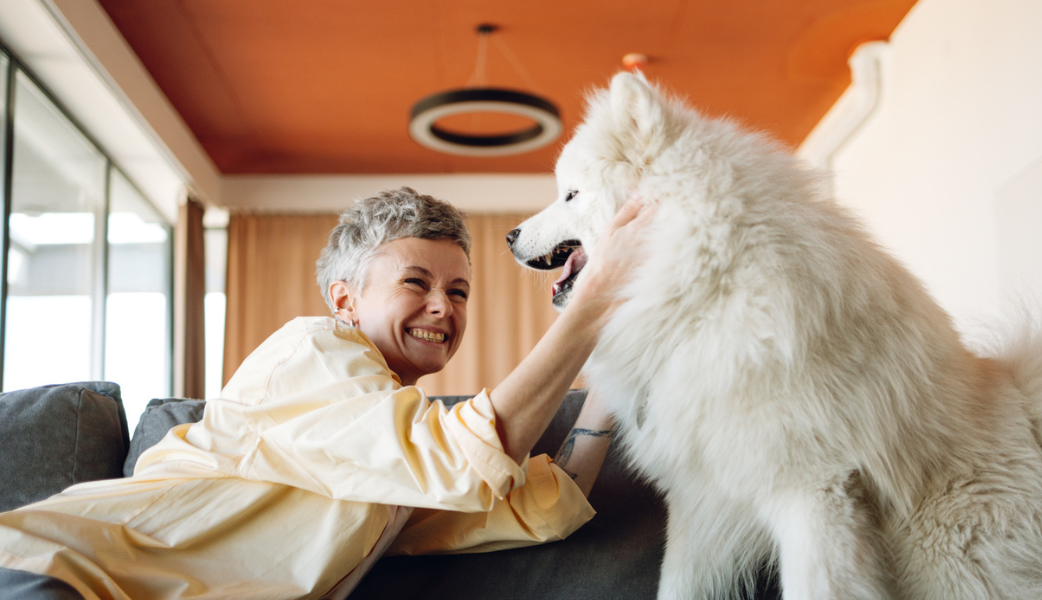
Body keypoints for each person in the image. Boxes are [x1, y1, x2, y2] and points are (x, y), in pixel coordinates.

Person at [0, 187, 653, 599]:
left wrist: (614, 370)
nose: (443, 306)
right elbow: (463, 458)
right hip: (57, 570)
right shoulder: (313, 351)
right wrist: (591, 300)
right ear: (345, 300)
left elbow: (533, 508)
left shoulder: (387, 461)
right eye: (416, 282)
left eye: (458, 291)